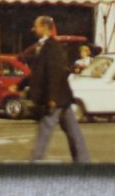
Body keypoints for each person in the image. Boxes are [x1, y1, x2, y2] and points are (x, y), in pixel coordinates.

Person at [25, 16, 91, 163]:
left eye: (36, 26)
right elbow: (37, 72)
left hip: (56, 98)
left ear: (44, 27)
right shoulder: (43, 45)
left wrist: (52, 98)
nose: (33, 29)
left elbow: (55, 72)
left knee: (45, 129)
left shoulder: (52, 46)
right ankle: (83, 160)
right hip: (62, 98)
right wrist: (19, 84)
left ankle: (35, 161)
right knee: (73, 131)